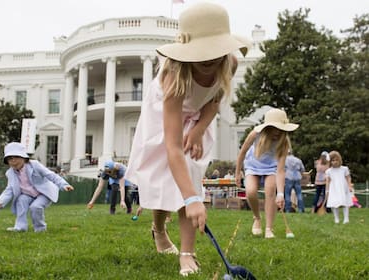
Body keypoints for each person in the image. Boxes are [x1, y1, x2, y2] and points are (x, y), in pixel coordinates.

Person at [125, 2, 251, 276]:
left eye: (215, 51)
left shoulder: (230, 62)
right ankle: (158, 229)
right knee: (163, 183)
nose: (209, 59)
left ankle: (187, 253)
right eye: (201, 52)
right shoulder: (174, 73)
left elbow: (214, 100)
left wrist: (196, 130)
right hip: (164, 116)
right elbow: (172, 146)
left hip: (196, 119)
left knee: (190, 177)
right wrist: (192, 200)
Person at [235, 108, 298, 238]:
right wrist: (237, 173)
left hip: (271, 168)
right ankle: (257, 218)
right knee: (251, 191)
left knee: (270, 190)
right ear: (267, 128)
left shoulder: (284, 143)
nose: (277, 132)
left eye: (280, 130)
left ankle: (269, 228)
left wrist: (280, 194)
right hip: (252, 165)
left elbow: (280, 170)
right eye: (274, 128)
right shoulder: (255, 134)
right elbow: (241, 153)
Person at [0, 142, 74, 232]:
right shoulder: (10, 173)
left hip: (43, 193)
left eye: (16, 157)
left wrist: (64, 185)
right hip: (27, 194)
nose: (13, 161)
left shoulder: (34, 165)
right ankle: (20, 227)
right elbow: (9, 190)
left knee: (35, 207)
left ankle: (40, 228)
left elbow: (50, 175)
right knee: (20, 200)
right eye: (10, 159)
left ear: (24, 158)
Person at [326, 150, 353, 224]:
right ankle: (336, 218)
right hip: (334, 188)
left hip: (343, 188)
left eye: (336, 160)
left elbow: (348, 177)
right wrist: (327, 190)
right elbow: (328, 181)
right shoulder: (329, 171)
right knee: (334, 204)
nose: (334, 162)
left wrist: (349, 186)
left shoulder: (344, 169)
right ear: (330, 161)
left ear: (339, 160)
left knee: (345, 203)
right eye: (333, 160)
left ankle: (346, 218)